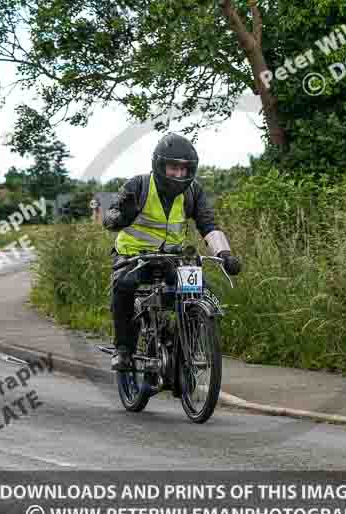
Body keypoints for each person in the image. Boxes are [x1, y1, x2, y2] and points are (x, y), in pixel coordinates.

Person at [102, 133, 242, 371]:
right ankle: (123, 349)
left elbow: (208, 225)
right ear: (159, 165)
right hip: (133, 257)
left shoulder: (193, 192)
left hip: (172, 258)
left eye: (184, 169)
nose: (179, 174)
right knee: (124, 285)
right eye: (173, 168)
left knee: (201, 291)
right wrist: (122, 216)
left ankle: (186, 344)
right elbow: (109, 219)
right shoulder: (138, 185)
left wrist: (225, 254)